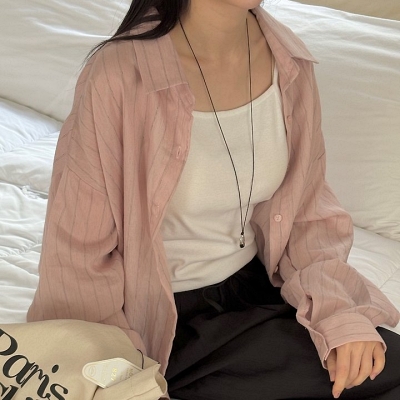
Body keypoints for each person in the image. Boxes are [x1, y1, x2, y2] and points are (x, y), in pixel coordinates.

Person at [27, 0, 400, 399]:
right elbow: (78, 257)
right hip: (161, 323)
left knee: (379, 367)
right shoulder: (119, 74)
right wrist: (120, 379)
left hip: (258, 291)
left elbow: (306, 216)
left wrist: (338, 315)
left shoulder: (289, 61)